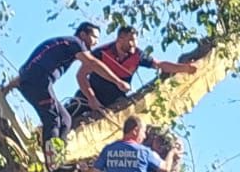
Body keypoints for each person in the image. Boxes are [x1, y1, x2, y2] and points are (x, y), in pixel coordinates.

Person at [3, 23, 127, 148]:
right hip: (40, 82)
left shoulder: (63, 46)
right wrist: (118, 81)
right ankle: (53, 161)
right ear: (83, 34)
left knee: (65, 120)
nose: (96, 42)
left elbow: (27, 71)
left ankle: (57, 154)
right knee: (53, 119)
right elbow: (92, 63)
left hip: (29, 84)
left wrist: (7, 89)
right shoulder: (76, 43)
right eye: (94, 37)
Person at [72, 26, 200, 117]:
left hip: (114, 102)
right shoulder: (102, 52)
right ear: (120, 39)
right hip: (88, 97)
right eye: (131, 40)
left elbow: (160, 65)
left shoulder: (137, 56)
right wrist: (91, 99)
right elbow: (81, 75)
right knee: (69, 116)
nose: (134, 44)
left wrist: (184, 68)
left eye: (136, 40)